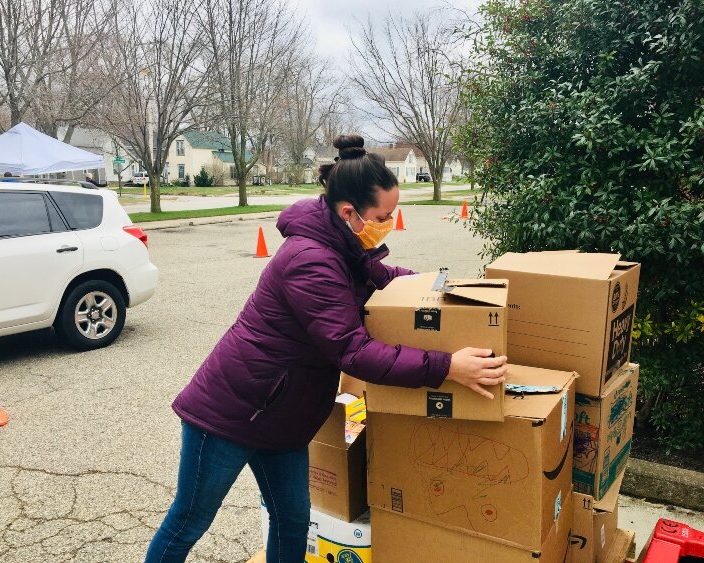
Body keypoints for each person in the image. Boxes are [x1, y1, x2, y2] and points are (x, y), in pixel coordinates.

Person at [144, 134, 508, 563]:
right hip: (231, 411)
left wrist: (439, 287)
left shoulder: (344, 244)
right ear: (349, 212)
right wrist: (447, 366)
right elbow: (354, 352)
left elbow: (382, 274)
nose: (390, 222)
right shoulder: (310, 259)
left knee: (293, 520)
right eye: (384, 216)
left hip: (284, 417)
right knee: (190, 520)